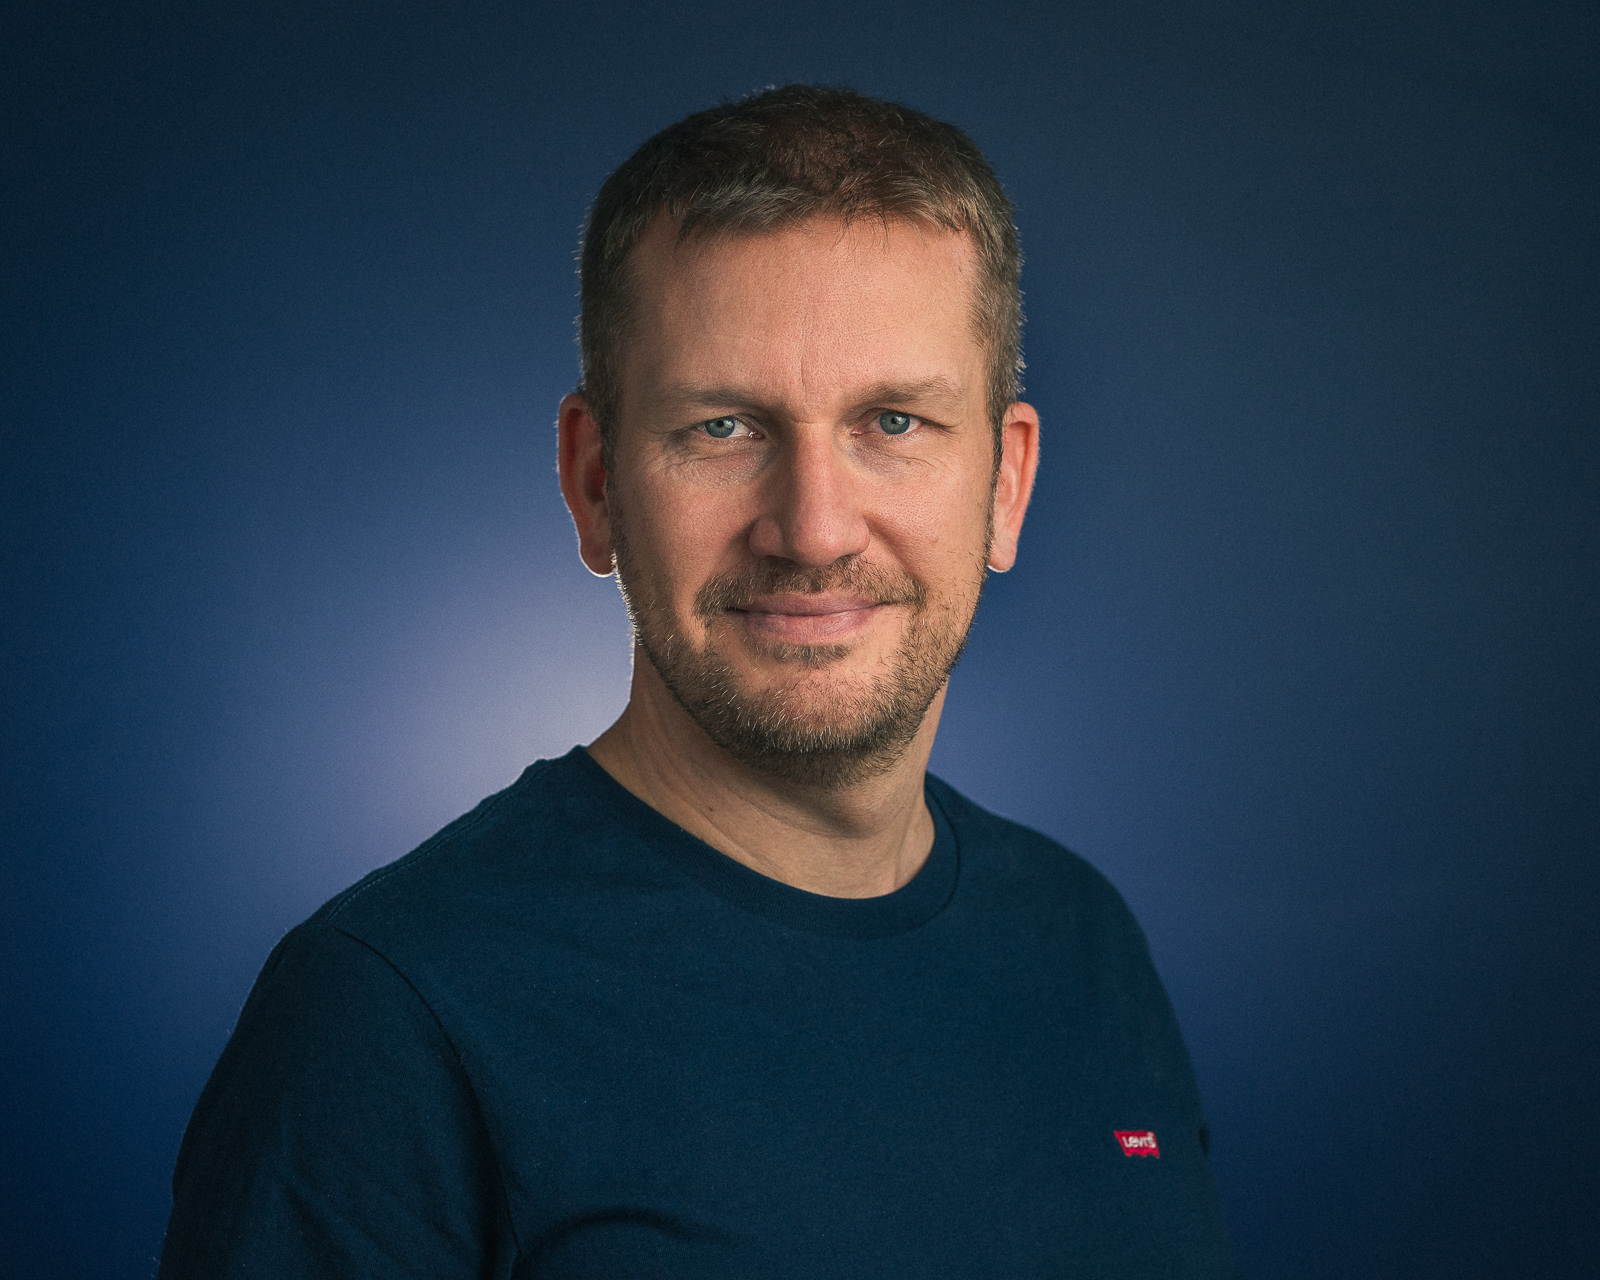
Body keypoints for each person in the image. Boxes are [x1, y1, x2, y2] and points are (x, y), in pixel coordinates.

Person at [159, 85, 1238, 1277]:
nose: (813, 529)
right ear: (594, 482)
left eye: (892, 421)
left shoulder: (1083, 940)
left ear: (1006, 485)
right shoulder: (391, 1015)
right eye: (723, 427)